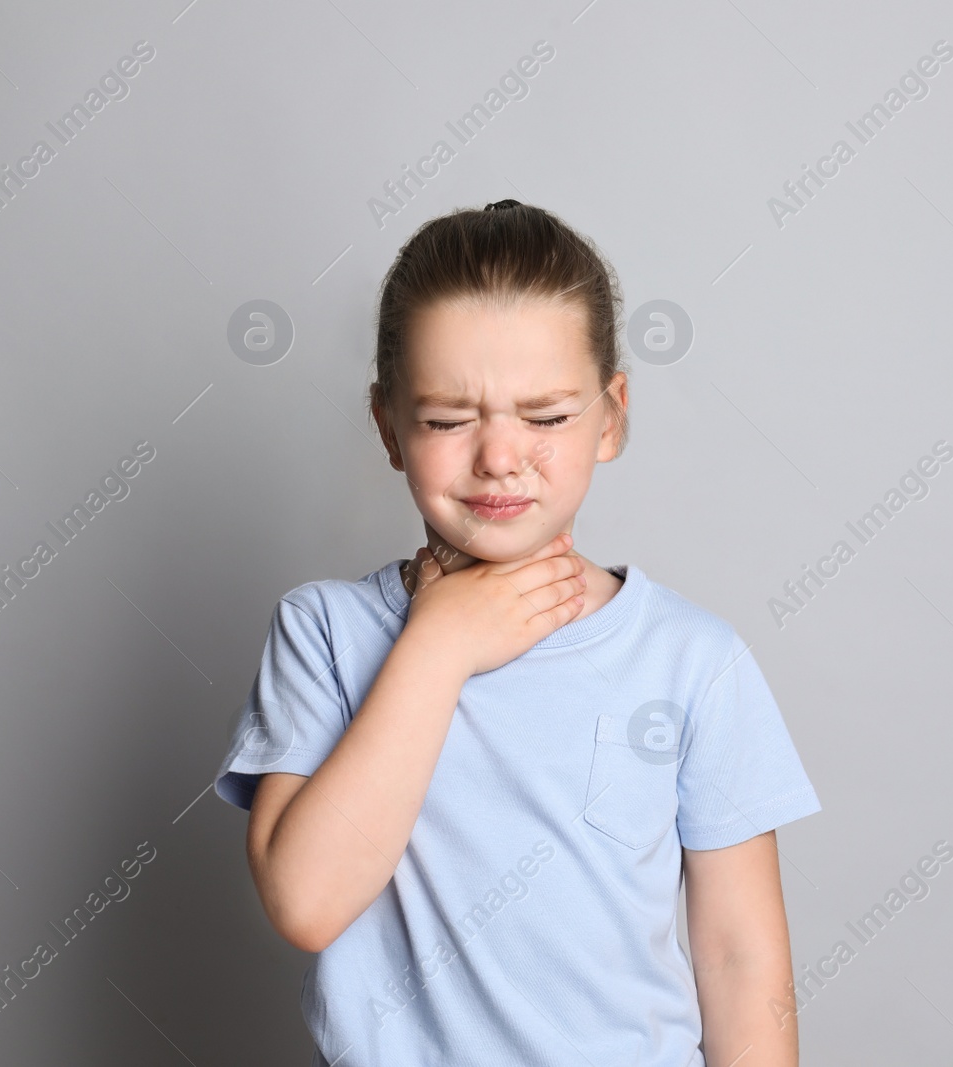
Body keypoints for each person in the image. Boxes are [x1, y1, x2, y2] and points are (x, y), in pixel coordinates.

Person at [213, 199, 821, 1066]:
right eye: (450, 419)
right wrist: (439, 644)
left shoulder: (693, 661)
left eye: (544, 416)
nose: (499, 456)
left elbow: (739, 957)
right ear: (388, 424)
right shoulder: (326, 634)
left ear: (610, 416)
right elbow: (307, 902)